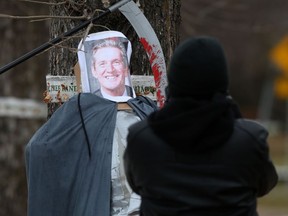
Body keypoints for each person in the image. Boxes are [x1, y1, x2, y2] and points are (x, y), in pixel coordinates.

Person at [123, 36, 278, 216]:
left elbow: (136, 183)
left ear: (173, 82)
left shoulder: (141, 138)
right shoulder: (249, 139)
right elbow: (265, 184)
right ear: (221, 82)